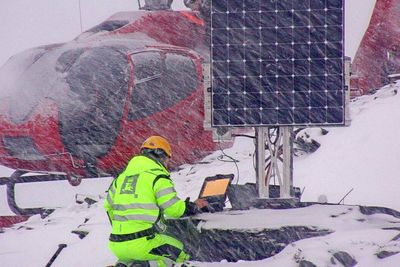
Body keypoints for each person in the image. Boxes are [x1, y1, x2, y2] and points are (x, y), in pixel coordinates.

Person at [104, 135, 208, 267]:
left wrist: (124, 229)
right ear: (162, 156)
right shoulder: (157, 177)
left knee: (132, 259)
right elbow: (174, 209)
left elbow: (108, 207)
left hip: (117, 245)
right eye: (167, 160)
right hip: (143, 243)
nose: (167, 164)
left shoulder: (121, 179)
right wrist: (193, 206)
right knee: (182, 253)